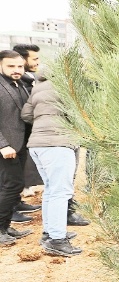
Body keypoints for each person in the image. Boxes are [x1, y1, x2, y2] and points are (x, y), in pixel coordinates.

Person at [21, 71, 83, 256]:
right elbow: (80, 113)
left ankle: (50, 233)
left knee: (50, 190)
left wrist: (43, 122)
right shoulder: (68, 85)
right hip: (57, 143)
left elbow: (26, 115)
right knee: (61, 192)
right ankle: (57, 240)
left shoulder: (38, 86)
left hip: (37, 144)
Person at [0, 50, 34, 245]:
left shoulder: (21, 84)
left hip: (20, 145)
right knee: (10, 186)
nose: (16, 70)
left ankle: (5, 226)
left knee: (15, 185)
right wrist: (3, 145)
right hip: (6, 147)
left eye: (19, 66)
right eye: (11, 66)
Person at [9, 44, 43, 224]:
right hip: (10, 136)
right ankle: (9, 211)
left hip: (23, 135)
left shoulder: (26, 80)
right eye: (35, 59)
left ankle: (16, 202)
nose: (38, 62)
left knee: (18, 175)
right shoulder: (14, 82)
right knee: (9, 179)